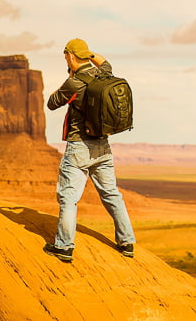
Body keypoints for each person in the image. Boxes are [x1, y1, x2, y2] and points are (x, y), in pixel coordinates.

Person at [43, 38, 136, 262]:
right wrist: (88, 54)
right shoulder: (102, 73)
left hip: (79, 147)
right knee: (112, 194)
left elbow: (52, 102)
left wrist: (69, 79)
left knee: (68, 198)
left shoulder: (75, 82)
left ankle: (64, 247)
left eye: (67, 56)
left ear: (70, 56)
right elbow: (105, 62)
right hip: (102, 146)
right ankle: (127, 242)